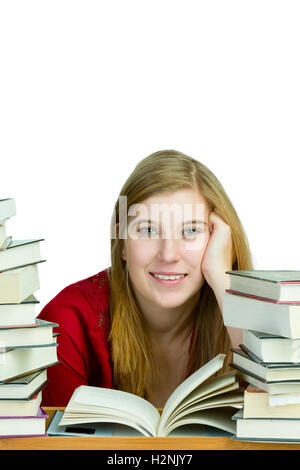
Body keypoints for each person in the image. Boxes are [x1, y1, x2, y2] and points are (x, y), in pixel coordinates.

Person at [37, 149, 253, 408]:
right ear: (123, 242)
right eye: (148, 230)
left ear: (217, 238)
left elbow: (283, 419)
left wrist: (222, 278)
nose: (169, 254)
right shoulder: (66, 321)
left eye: (191, 230)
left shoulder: (239, 319)